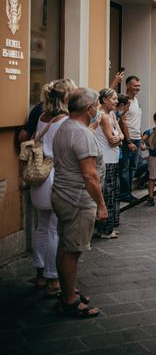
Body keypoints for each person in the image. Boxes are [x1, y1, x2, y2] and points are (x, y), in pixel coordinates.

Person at [52, 88, 106, 318]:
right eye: (96, 105)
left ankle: (67, 289)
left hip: (62, 194)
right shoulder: (81, 133)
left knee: (64, 246)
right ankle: (70, 300)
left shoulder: (64, 126)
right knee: (72, 251)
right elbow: (90, 175)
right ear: (88, 109)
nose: (98, 109)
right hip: (77, 199)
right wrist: (102, 205)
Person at [28, 79, 75, 296]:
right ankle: (52, 278)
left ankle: (39, 274)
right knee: (55, 229)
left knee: (41, 226)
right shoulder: (64, 120)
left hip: (39, 176)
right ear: (66, 97)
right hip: (55, 176)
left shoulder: (41, 117)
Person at [94, 88, 124, 239]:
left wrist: (118, 137)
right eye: (113, 99)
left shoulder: (111, 114)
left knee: (111, 193)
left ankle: (108, 228)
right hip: (106, 160)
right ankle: (105, 230)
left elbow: (119, 136)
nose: (116, 101)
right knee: (108, 194)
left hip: (112, 158)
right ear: (104, 100)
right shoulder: (104, 116)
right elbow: (112, 142)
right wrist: (119, 138)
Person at [117, 76, 142, 204]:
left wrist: (140, 139)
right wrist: (128, 141)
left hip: (137, 138)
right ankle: (124, 194)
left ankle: (128, 192)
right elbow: (123, 122)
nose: (138, 87)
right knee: (125, 167)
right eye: (135, 85)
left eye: (138, 85)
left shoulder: (136, 100)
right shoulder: (124, 101)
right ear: (128, 86)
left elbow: (136, 121)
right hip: (129, 139)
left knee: (133, 167)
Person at [141, 112, 156, 206]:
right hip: (154, 156)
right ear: (155, 121)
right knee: (152, 177)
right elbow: (143, 142)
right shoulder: (150, 131)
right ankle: (150, 197)